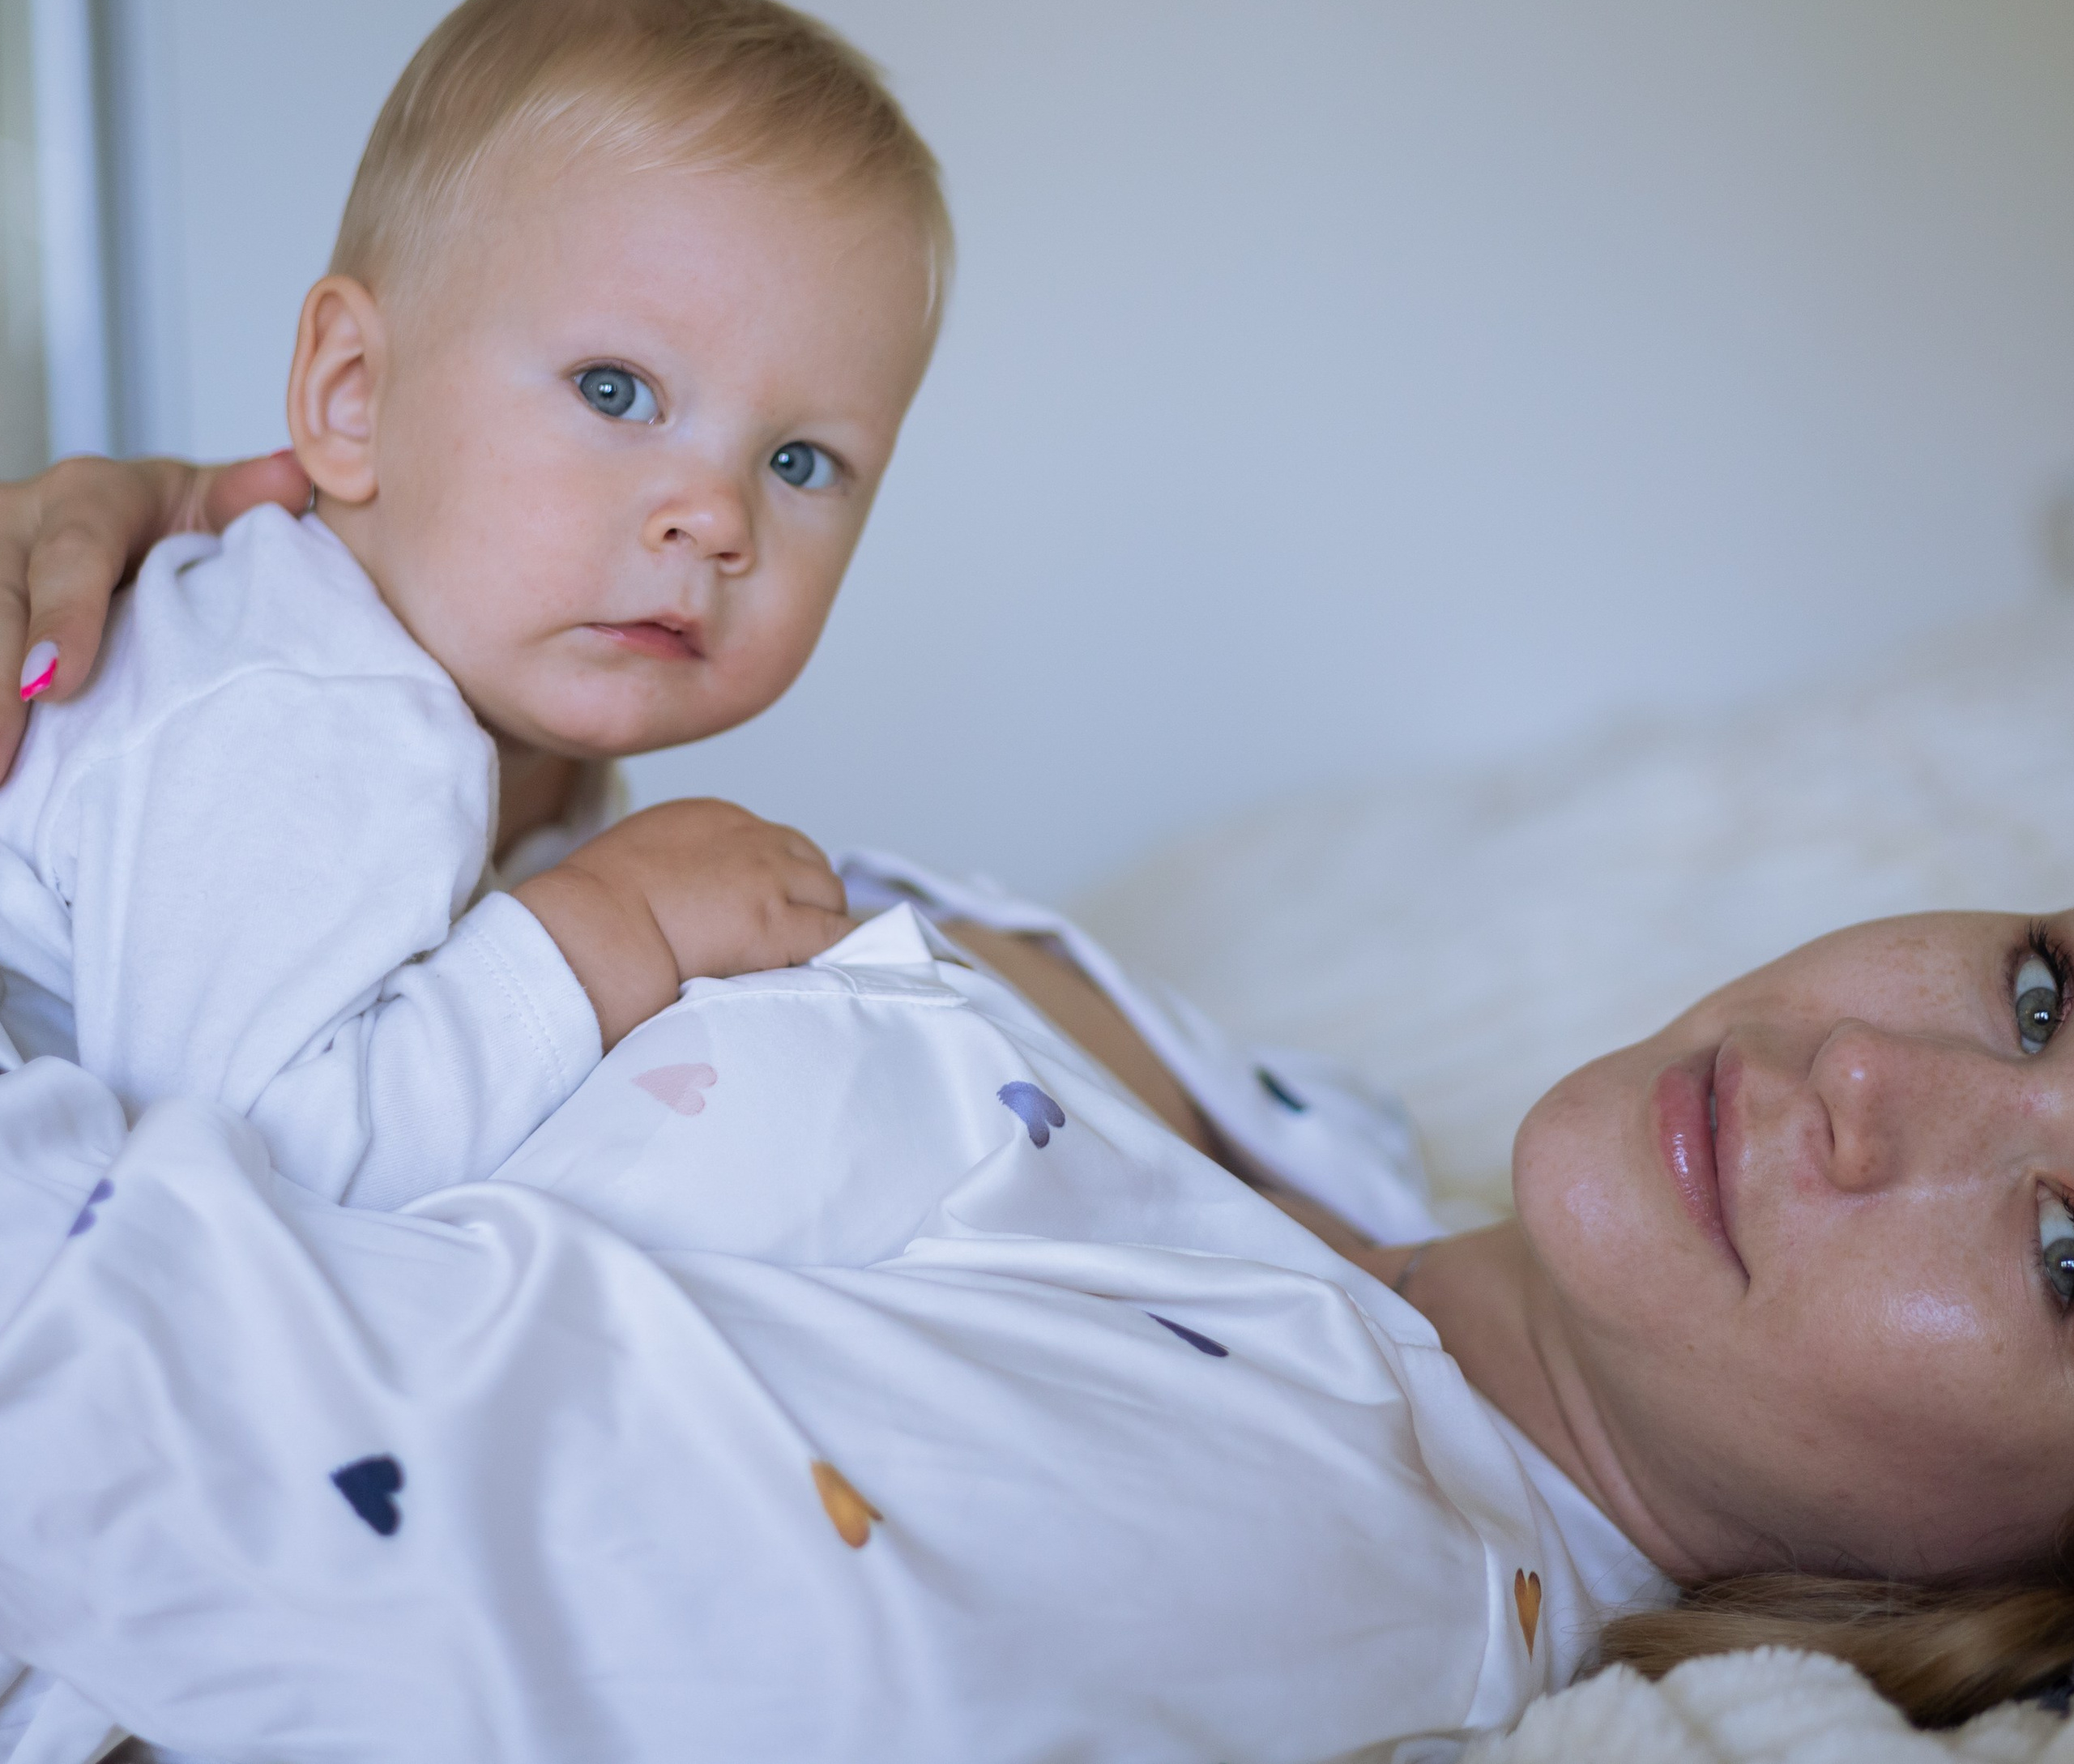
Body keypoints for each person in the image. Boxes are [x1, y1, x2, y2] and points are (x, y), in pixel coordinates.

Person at [0, 473, 2068, 1758]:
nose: (1872, 1085)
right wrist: (263, 619)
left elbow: (158, 1432)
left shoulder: (1278, 1548)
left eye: (2068, 1249)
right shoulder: (1330, 1156)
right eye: (2040, 985)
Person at [0, 0, 948, 1208]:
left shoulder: (511, 736)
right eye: (617, 392)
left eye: (800, 459)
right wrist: (623, 924)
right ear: (354, 395)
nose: (716, 516)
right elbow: (252, 1175)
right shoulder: (308, 701)